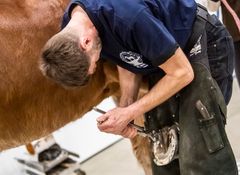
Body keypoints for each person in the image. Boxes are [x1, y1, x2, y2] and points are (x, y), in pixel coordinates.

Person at [40, 0, 238, 174]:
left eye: (92, 63)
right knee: (166, 156)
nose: (95, 66)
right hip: (165, 60)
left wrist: (129, 112)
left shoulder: (129, 16)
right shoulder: (73, 26)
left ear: (85, 42)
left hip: (197, 45)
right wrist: (127, 105)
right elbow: (125, 54)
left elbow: (182, 73)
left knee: (201, 153)